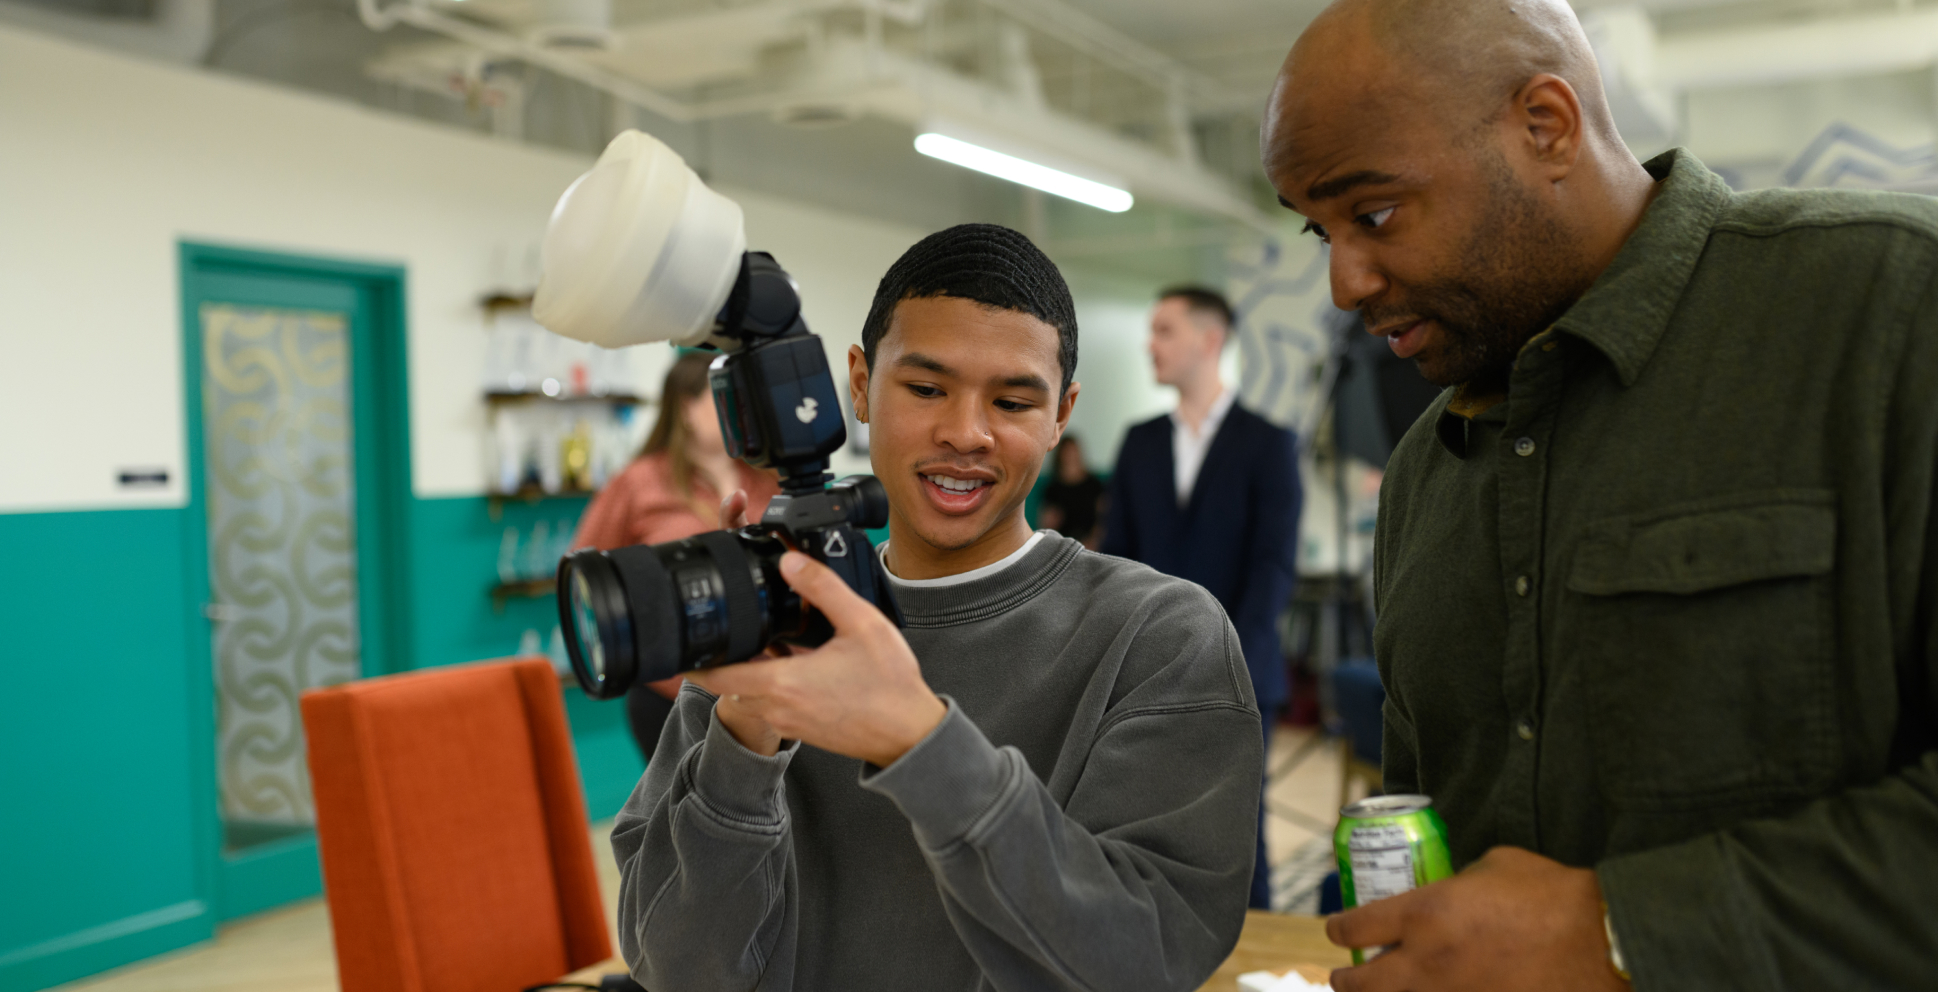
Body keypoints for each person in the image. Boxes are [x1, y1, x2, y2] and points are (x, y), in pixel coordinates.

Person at [1263, 0, 1938, 988]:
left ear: (1547, 124)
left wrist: (1623, 928)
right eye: (1319, 233)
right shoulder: (1423, 475)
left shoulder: (1890, 310)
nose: (1345, 281)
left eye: (1372, 214)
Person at [608, 224, 1264, 991]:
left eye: (1015, 401)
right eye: (925, 389)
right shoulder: (774, 624)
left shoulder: (1160, 637)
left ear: (1062, 414)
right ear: (858, 384)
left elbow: (1139, 962)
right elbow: (675, 970)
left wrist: (919, 743)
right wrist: (745, 733)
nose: (964, 433)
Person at [1101, 284, 1302, 911]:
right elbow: (1118, 561)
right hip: (1147, 676)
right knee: (1145, 831)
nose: (1149, 343)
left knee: (1239, 836)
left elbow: (1272, 568)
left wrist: (1222, 660)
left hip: (1239, 674)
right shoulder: (1139, 442)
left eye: (1164, 330)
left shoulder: (1268, 443)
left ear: (1209, 340)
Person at [571, 351, 779, 761]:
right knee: (680, 817)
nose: (741, 412)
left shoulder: (767, 480)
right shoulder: (639, 483)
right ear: (686, 407)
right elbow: (586, 575)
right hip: (672, 692)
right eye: (726, 400)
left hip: (765, 688)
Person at [1037, 434, 1105, 547]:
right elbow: (1046, 524)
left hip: (1091, 543)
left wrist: (1094, 540)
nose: (1070, 455)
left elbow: (1104, 517)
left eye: (1073, 451)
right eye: (1067, 451)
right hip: (1063, 545)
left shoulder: (1094, 485)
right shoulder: (1053, 488)